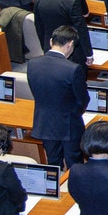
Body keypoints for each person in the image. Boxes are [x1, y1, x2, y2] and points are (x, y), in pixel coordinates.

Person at [27, 25, 89, 171]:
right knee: (74, 164)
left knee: (53, 163)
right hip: (69, 125)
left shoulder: (32, 64)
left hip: (44, 122)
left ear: (51, 42)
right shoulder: (73, 69)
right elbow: (82, 100)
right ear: (70, 44)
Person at [33, 0, 91, 68]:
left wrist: (45, 47)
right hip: (70, 50)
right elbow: (81, 29)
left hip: (49, 45)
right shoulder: (72, 1)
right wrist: (88, 53)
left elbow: (38, 25)